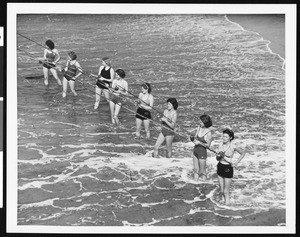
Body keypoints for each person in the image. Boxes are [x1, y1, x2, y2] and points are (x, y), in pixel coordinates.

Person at [216, 128, 245, 205]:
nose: (224, 138)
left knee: (226, 192)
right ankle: (222, 206)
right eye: (223, 136)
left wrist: (235, 163)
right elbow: (217, 159)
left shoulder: (233, 146)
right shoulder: (220, 144)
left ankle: (227, 208)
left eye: (226, 137)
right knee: (222, 191)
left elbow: (243, 153)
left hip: (228, 168)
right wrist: (219, 155)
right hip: (220, 166)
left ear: (230, 138)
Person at [191, 114, 213, 181]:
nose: (199, 122)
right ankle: (195, 183)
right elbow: (195, 138)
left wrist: (199, 143)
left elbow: (208, 146)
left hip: (202, 153)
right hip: (195, 151)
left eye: (201, 121)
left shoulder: (208, 133)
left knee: (203, 171)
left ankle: (204, 185)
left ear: (205, 122)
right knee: (196, 170)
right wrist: (192, 139)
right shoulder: (199, 127)